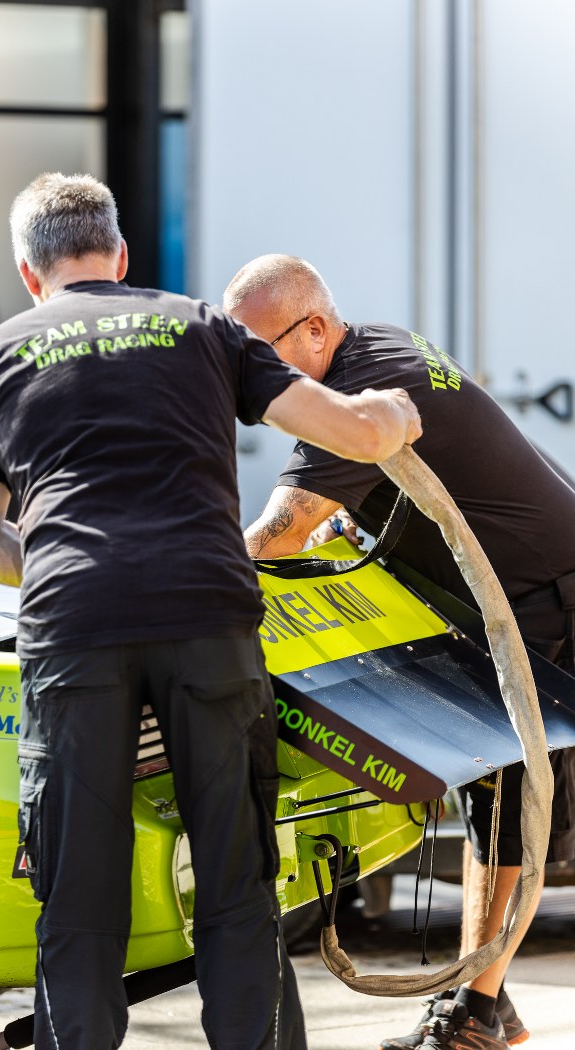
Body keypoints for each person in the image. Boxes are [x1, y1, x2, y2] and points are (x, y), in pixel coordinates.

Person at [0, 175, 422, 1050]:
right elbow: (355, 434)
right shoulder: (202, 326)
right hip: (208, 620)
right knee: (235, 884)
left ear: (27, 272)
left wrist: (72, 567)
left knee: (78, 898)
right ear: (122, 255)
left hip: (75, 631)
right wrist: (392, 408)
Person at [222, 253, 575, 1050]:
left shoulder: (358, 387)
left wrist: (164, 583)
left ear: (315, 330)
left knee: (505, 811)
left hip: (544, 597)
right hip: (516, 594)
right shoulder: (369, 348)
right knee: (494, 802)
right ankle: (487, 1000)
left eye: (256, 357)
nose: (247, 384)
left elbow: (280, 535)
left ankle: (473, 1015)